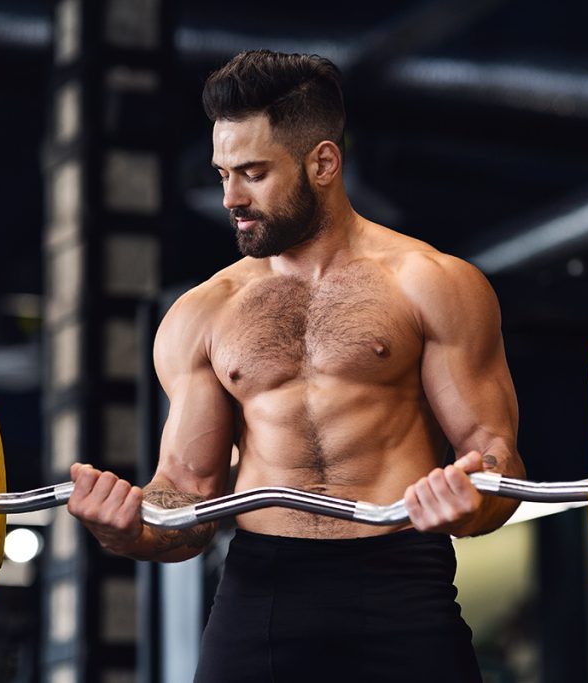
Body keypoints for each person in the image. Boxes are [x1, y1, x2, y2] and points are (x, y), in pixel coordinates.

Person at [67, 49, 525, 682]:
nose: (230, 197)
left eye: (253, 173)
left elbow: (496, 457)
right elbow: (188, 498)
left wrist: (468, 503)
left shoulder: (433, 284)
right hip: (263, 594)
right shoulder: (202, 315)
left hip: (402, 585)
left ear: (324, 163)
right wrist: (128, 531)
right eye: (222, 173)